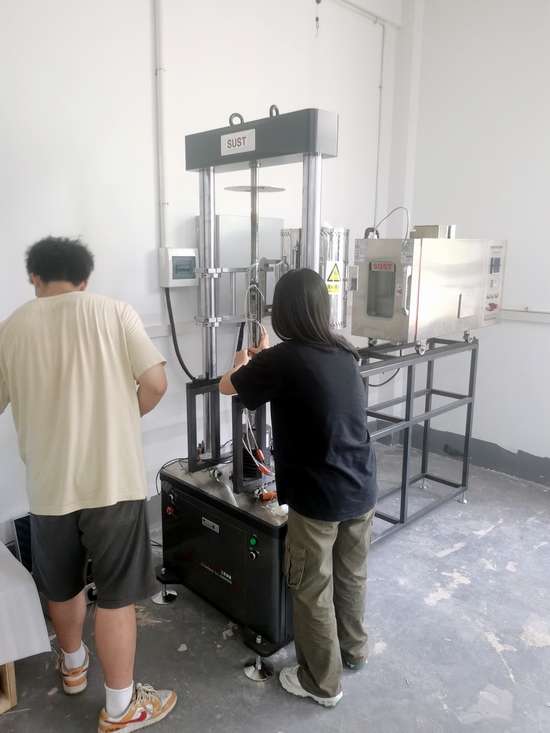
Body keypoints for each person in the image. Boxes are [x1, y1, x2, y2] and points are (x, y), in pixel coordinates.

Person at [0, 236, 177, 732]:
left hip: (49, 487)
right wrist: (119, 420)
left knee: (62, 583)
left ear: (35, 278)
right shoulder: (115, 313)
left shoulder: (11, 327)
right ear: (84, 280)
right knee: (117, 595)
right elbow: (156, 383)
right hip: (112, 481)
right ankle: (120, 710)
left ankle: (73, 667)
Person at [219, 267, 378, 707]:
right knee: (351, 575)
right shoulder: (344, 351)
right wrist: (266, 359)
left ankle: (321, 683)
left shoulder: (284, 360)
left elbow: (228, 386)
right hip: (361, 485)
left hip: (318, 496)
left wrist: (244, 361)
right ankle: (354, 652)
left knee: (311, 588)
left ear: (283, 312)